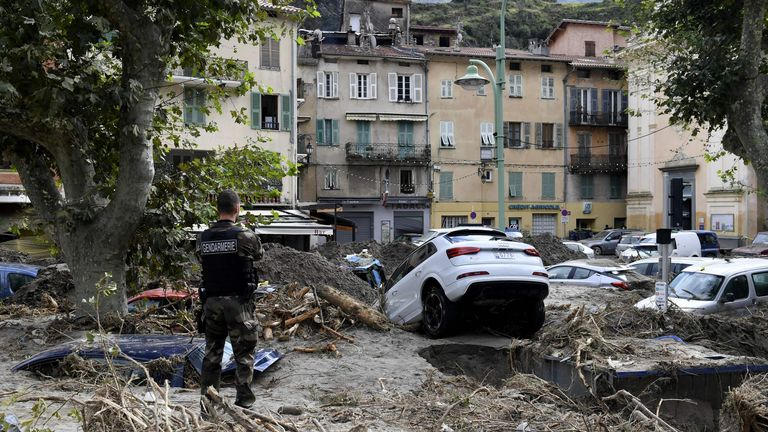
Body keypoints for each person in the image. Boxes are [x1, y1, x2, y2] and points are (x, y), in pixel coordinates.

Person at [196, 190, 263, 410]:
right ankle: (243, 404)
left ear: (217, 209)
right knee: (243, 354)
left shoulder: (203, 237)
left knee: (212, 355)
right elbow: (258, 255)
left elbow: (201, 259)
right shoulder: (245, 235)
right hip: (239, 304)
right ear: (237, 209)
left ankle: (208, 404)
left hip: (212, 303)